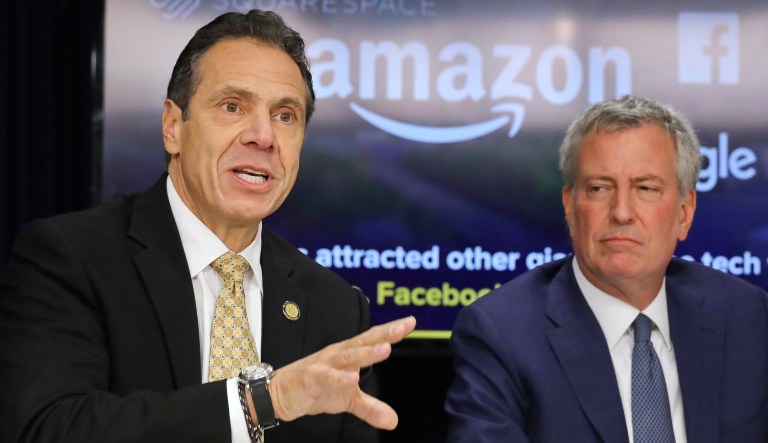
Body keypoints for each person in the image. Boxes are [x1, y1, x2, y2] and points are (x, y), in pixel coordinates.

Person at [0, 9, 416, 443]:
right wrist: (261, 401)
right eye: (232, 106)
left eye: (285, 116)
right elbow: (45, 428)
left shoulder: (336, 310)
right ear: (172, 127)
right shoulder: (71, 259)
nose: (263, 136)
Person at [445, 95, 768, 442]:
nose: (622, 212)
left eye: (646, 188)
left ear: (684, 213)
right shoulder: (501, 334)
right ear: (570, 207)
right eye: (599, 188)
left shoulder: (746, 317)